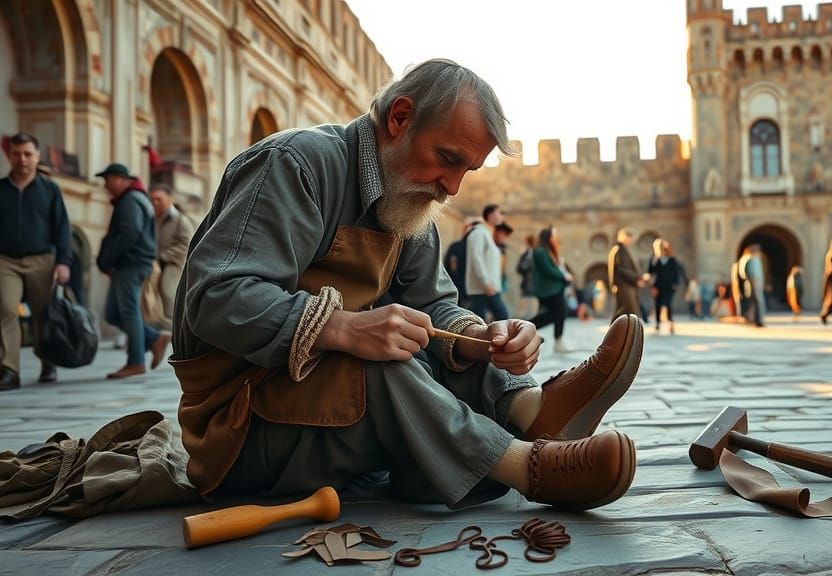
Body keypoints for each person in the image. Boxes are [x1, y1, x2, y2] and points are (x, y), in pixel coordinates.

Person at [170, 59, 643, 511]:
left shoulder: (411, 204)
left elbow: (435, 308)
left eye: (466, 171)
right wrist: (343, 329)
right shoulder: (296, 164)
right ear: (400, 118)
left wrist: (480, 340)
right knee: (382, 365)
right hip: (239, 426)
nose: (453, 187)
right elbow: (216, 298)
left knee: (441, 350)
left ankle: (533, 409)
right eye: (447, 158)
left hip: (322, 411)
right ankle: (528, 469)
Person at [0, 132, 71, 390]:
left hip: (42, 260)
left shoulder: (50, 190)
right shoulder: (1, 189)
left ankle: (47, 361)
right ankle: (9, 369)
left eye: (28, 154)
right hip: (5, 261)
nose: (22, 159)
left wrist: (63, 262)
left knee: (43, 314)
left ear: (37, 156)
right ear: (9, 155)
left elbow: (62, 228)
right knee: (6, 310)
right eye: (17, 154)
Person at [95, 163, 172, 378]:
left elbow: (129, 233)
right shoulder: (133, 198)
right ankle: (154, 338)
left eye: (107, 180)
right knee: (113, 313)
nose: (106, 186)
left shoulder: (130, 200)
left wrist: (109, 259)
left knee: (129, 312)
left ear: (120, 178)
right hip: (131, 262)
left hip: (131, 263)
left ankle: (136, 361)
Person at [148, 183, 195, 330]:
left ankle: (174, 330)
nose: (155, 202)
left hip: (173, 263)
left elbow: (187, 244)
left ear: (170, 199)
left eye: (158, 199)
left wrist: (164, 256)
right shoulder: (151, 219)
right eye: (152, 199)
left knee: (168, 293)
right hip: (153, 263)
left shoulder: (181, 220)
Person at [529, 226, 572, 353]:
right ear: (548, 237)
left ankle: (528, 328)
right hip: (548, 290)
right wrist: (564, 276)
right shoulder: (540, 252)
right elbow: (548, 270)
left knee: (556, 314)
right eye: (554, 235)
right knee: (557, 313)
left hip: (554, 289)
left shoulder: (548, 252)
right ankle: (526, 327)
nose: (556, 238)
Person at [465, 204, 509, 321]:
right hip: (482, 288)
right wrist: (486, 282)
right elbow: (476, 258)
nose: (501, 216)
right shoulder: (478, 233)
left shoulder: (487, 234)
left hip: (489, 288)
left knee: (494, 318)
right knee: (499, 316)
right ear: (490, 215)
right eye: (499, 212)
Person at [608, 228, 646, 321]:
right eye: (630, 238)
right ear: (624, 237)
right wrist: (637, 278)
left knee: (622, 312)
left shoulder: (622, 249)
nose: (631, 241)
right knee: (627, 311)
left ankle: (617, 332)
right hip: (623, 286)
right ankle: (621, 332)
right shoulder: (619, 250)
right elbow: (621, 269)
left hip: (627, 285)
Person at [648, 238, 683, 333]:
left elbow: (676, 273)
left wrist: (675, 283)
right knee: (658, 305)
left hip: (669, 286)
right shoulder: (655, 259)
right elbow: (650, 272)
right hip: (657, 286)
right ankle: (658, 324)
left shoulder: (672, 260)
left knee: (668, 304)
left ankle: (671, 323)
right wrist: (652, 286)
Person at [738, 244, 766, 327]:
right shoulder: (748, 259)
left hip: (757, 284)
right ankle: (756, 320)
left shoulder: (755, 259)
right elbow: (743, 273)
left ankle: (757, 320)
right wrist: (751, 280)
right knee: (755, 302)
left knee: (757, 302)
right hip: (753, 284)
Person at [513, 234, 538, 318]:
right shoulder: (534, 253)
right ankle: (531, 324)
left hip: (529, 282)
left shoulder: (529, 253)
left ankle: (520, 321)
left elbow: (522, 267)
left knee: (526, 303)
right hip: (532, 282)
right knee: (531, 303)